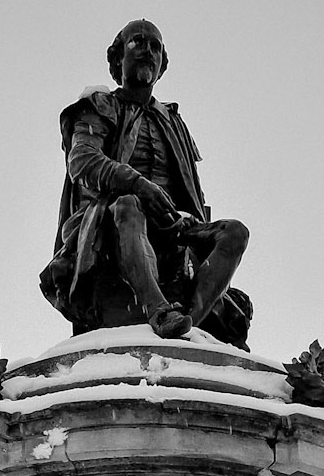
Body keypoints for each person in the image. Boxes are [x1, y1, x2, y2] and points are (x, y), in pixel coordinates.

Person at [40, 19, 251, 346]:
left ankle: (190, 320)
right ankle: (158, 310)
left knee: (234, 232)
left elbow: (191, 190)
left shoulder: (172, 121)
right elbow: (82, 160)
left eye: (155, 46)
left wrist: (194, 230)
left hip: (172, 225)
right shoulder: (100, 106)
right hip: (111, 219)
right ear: (118, 58)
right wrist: (136, 183)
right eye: (137, 42)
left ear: (162, 64)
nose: (147, 51)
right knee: (128, 203)